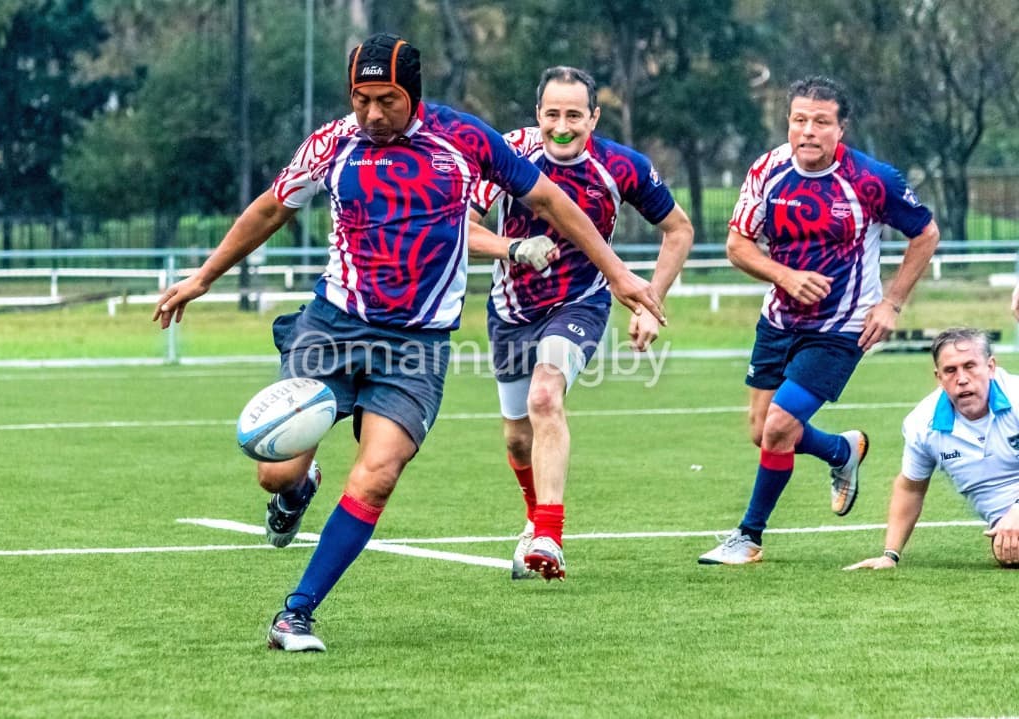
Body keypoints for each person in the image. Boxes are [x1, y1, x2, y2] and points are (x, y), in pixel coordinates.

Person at [152, 33, 662, 652]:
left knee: (377, 475)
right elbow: (270, 210)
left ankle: (296, 613)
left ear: (412, 94)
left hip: (415, 346)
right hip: (333, 325)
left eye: (386, 99)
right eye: (361, 98)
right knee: (274, 472)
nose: (372, 113)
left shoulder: (466, 139)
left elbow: (549, 199)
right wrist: (204, 277)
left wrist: (617, 273)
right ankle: (298, 486)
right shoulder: (332, 144)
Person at [698, 75, 941, 565]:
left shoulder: (873, 180)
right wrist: (785, 276)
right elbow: (737, 247)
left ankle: (748, 537)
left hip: (842, 327)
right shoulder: (767, 169)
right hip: (778, 321)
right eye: (799, 120)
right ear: (788, 121)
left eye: (821, 122)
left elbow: (926, 233)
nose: (808, 131)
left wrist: (891, 303)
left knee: (779, 426)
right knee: (762, 430)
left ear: (840, 128)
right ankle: (840, 451)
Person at [467, 66, 693, 581]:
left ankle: (549, 532)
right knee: (516, 439)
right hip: (509, 311)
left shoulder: (621, 166)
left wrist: (648, 300)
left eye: (574, 115)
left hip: (580, 304)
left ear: (594, 116)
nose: (562, 126)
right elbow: (461, 228)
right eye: (552, 114)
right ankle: (532, 515)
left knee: (546, 396)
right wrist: (514, 248)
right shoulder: (508, 155)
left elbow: (678, 230)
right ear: (537, 115)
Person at [845, 328, 1019, 570]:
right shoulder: (921, 424)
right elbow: (911, 488)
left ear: (990, 367)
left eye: (970, 366)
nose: (962, 378)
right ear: (938, 377)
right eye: (951, 370)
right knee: (1011, 549)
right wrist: (890, 555)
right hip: (1005, 525)